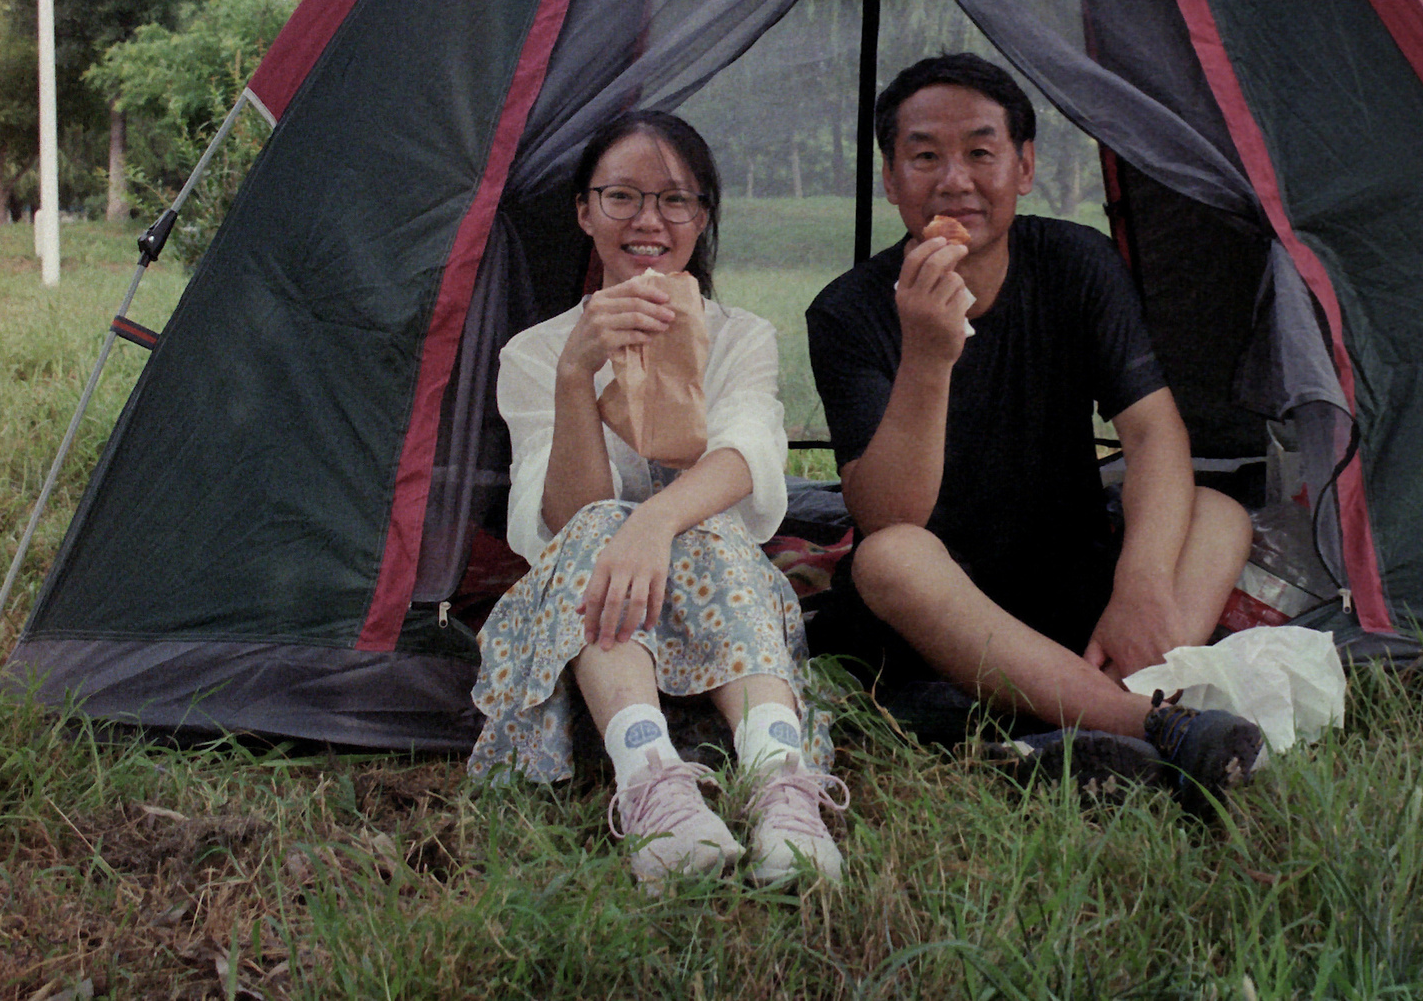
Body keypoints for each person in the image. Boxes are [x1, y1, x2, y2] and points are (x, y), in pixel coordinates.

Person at [806, 54, 1266, 793]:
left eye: (980, 152)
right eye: (925, 156)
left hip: (1073, 584)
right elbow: (888, 514)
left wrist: (1142, 580)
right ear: (890, 179)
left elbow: (1152, 432)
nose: (954, 179)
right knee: (888, 556)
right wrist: (928, 355)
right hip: (939, 617)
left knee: (1217, 513)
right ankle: (1151, 722)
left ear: (1023, 167)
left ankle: (1091, 712)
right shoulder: (848, 312)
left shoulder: (1077, 262)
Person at [470, 110, 847, 889]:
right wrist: (577, 375)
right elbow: (562, 519)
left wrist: (657, 519)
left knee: (700, 520)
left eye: (676, 200)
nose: (650, 221)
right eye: (622, 197)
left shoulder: (739, 335)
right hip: (592, 605)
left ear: (703, 217)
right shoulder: (536, 351)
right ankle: (654, 791)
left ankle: (782, 788)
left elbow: (745, 454)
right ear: (584, 210)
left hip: (721, 593)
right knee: (599, 523)